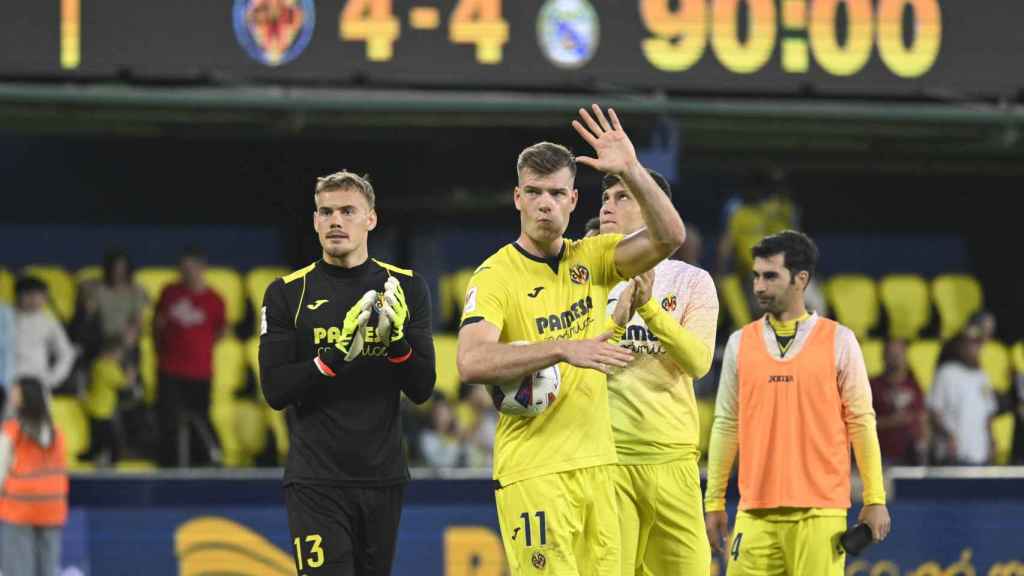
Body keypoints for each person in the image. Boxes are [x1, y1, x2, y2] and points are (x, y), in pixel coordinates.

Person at [457, 105, 685, 574]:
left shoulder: (596, 256)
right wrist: (564, 348)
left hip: (600, 467)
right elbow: (471, 361)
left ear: (574, 201)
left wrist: (631, 170)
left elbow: (670, 238)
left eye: (557, 193)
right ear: (517, 198)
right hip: (535, 472)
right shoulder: (495, 275)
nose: (546, 203)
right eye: (535, 192)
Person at [259, 171, 435, 575]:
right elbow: (275, 389)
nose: (336, 220)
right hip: (315, 479)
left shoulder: (406, 287)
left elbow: (422, 387)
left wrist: (396, 344)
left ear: (371, 219)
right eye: (326, 212)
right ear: (316, 221)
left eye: (347, 211)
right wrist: (334, 356)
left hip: (383, 477)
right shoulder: (286, 292)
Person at [705, 230, 890, 576]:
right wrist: (714, 501)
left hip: (820, 514)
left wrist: (875, 498)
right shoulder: (738, 343)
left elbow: (862, 423)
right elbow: (726, 424)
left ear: (801, 279)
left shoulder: (840, 341)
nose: (759, 286)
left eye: (770, 276)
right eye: (756, 276)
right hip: (754, 512)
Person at [598, 169, 719, 575]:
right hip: (608, 461)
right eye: (605, 198)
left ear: (653, 207)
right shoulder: (588, 280)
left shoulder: (692, 282)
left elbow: (699, 363)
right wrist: (617, 323)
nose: (606, 206)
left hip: (675, 464)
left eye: (621, 197)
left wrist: (649, 309)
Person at [153, 247, 226, 467]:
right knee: (169, 421)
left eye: (192, 268)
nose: (187, 273)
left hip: (200, 372)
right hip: (170, 370)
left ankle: (208, 463)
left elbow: (220, 331)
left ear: (202, 269)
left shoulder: (215, 300)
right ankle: (169, 467)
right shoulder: (169, 293)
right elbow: (157, 324)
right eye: (183, 269)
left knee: (199, 419)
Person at [0, 377, 68, 576]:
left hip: (18, 510)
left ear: (23, 398)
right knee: (46, 571)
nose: (11, 396)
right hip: (51, 510)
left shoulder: (11, 432)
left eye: (15, 392)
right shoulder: (56, 434)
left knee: (19, 570)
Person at [928, 327, 997, 465]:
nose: (975, 347)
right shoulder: (946, 373)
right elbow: (934, 412)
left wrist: (992, 442)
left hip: (979, 456)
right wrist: (947, 436)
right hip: (952, 456)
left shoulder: (982, 377)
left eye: (977, 343)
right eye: (970, 343)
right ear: (960, 346)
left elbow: (988, 416)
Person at [870, 339, 929, 465]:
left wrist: (923, 446)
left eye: (899, 354)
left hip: (911, 458)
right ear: (883, 357)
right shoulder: (873, 386)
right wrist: (891, 421)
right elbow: (861, 424)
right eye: (891, 354)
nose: (895, 359)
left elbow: (921, 417)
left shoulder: (914, 385)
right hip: (881, 457)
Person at [79, 337, 135, 465]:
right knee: (111, 440)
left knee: (97, 438)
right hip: (102, 411)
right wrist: (131, 375)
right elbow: (124, 384)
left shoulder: (97, 364)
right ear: (111, 352)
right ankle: (112, 460)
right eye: (118, 354)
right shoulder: (107, 367)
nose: (119, 357)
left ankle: (93, 456)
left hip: (94, 407)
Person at [13, 277, 76, 391]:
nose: (35, 300)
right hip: (9, 382)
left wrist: (52, 379)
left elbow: (66, 353)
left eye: (40, 296)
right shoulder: (5, 318)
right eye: (30, 295)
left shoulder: (49, 321)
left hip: (38, 382)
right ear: (18, 295)